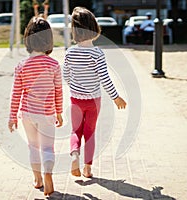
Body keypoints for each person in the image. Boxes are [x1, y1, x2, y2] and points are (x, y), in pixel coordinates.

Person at [63, 7, 127, 178]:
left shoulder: (70, 53)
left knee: (75, 131)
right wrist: (116, 97)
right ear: (94, 28)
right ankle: (88, 168)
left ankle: (74, 155)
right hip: (93, 101)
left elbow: (66, 76)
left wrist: (76, 86)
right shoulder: (97, 53)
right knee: (89, 133)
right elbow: (105, 79)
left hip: (75, 99)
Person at [8, 16, 63, 196]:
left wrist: (12, 116)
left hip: (27, 113)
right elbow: (58, 91)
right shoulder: (53, 64)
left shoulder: (21, 66)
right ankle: (48, 174)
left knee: (33, 147)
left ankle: (38, 179)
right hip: (47, 113)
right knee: (48, 148)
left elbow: (16, 93)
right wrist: (60, 112)